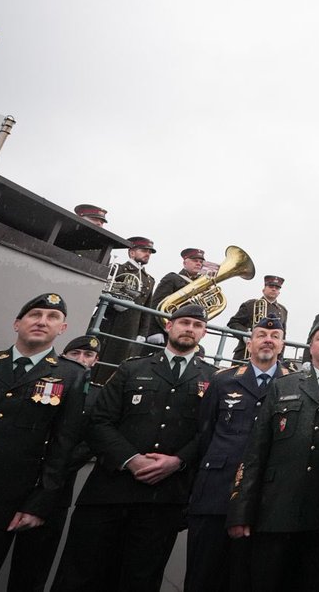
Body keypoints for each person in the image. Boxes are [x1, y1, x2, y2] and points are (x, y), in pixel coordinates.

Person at [51, 304, 215, 592]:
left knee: (139, 579)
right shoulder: (131, 368)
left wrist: (177, 461)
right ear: (169, 326)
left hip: (163, 499)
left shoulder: (214, 379)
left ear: (203, 332)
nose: (189, 328)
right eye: (184, 322)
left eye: (197, 325)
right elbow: (99, 422)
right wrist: (131, 459)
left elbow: (209, 432)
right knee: (80, 575)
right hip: (109, 492)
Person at [0, 293, 88, 592]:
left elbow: (62, 447)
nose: (42, 321)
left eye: (52, 317)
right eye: (34, 314)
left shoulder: (71, 376)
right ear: (17, 323)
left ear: (62, 329)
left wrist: (39, 505)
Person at [226, 318, 319, 592]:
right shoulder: (284, 386)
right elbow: (256, 450)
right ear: (310, 348)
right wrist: (241, 510)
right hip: (276, 512)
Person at [186, 316, 289, 592]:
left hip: (263, 502)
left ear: (282, 344)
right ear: (249, 341)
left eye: (275, 335)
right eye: (261, 334)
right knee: (202, 577)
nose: (268, 339)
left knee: (246, 580)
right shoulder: (223, 381)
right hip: (216, 494)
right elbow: (205, 433)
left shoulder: (293, 384)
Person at [10, 334, 105, 591]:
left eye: (89, 356)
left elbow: (92, 439)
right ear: (64, 355)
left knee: (35, 562)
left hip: (58, 485)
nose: (82, 360)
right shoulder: (44, 382)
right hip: (18, 475)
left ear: (96, 361)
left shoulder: (99, 396)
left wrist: (59, 462)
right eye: (76, 354)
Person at [96, 236, 158, 378]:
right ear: (132, 252)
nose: (147, 254)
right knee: (104, 360)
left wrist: (143, 333)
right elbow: (103, 292)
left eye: (149, 252)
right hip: (112, 323)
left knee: (121, 365)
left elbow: (147, 309)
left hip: (131, 328)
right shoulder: (118, 269)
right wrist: (113, 303)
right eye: (143, 250)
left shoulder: (149, 279)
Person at [146, 247, 208, 347]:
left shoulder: (203, 284)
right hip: (166, 331)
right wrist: (153, 331)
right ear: (185, 263)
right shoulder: (172, 278)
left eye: (201, 262)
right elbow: (155, 305)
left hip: (189, 333)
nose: (199, 264)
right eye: (195, 261)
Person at [229, 275, 289, 360]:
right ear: (264, 289)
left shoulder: (283, 311)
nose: (274, 289)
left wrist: (280, 356)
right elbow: (233, 323)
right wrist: (246, 334)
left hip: (270, 354)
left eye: (277, 288)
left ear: (279, 292)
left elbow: (283, 335)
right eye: (271, 286)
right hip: (246, 352)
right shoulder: (250, 304)